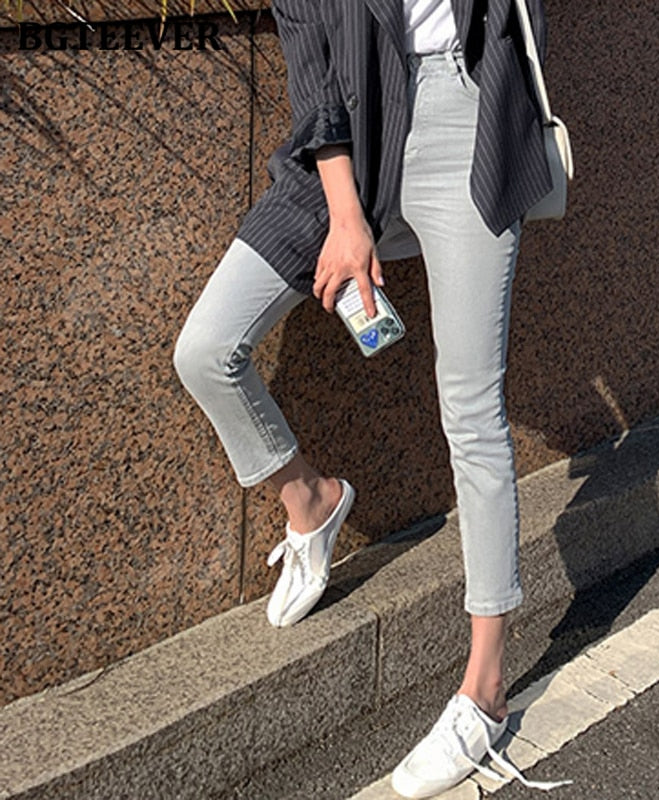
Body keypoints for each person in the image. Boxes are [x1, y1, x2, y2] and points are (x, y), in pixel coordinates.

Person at [173, 0, 565, 796]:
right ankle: (311, 503)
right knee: (207, 349)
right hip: (343, 141)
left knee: (472, 412)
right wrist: (346, 217)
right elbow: (314, 70)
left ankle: (485, 689)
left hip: (467, 118)